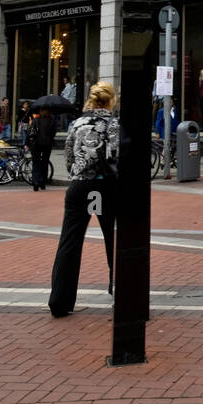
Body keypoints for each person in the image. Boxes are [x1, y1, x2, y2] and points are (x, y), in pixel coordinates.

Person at [48, 81, 119, 318]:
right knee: (114, 239)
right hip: (106, 187)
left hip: (80, 186)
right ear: (111, 101)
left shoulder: (76, 124)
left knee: (69, 241)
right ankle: (119, 290)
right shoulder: (113, 124)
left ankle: (60, 300)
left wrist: (79, 172)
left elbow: (68, 157)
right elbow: (118, 157)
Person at [28, 106, 57, 191]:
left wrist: (27, 143)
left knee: (35, 163)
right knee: (45, 162)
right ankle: (42, 182)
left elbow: (30, 132)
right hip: (47, 144)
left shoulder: (36, 120)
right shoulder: (52, 121)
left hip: (36, 144)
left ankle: (35, 182)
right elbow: (53, 133)